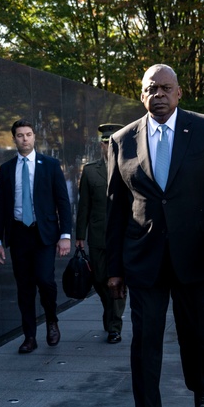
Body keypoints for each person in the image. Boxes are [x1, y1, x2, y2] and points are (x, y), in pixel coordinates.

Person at [106, 64, 204, 407]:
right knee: (143, 345)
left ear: (179, 93)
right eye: (151, 88)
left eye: (166, 88)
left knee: (198, 338)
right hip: (143, 261)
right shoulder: (121, 140)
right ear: (141, 94)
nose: (159, 94)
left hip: (197, 258)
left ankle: (201, 391)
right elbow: (114, 209)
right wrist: (112, 267)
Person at [0, 119, 72, 354]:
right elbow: (0, 207)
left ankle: (51, 320)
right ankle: (29, 336)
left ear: (35, 137)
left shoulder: (50, 165)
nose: (24, 139)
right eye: (19, 135)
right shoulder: (6, 169)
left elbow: (63, 202)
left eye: (28, 134)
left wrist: (65, 235)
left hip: (44, 233)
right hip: (18, 234)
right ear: (14, 138)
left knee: (45, 281)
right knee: (25, 287)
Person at [76, 123, 127, 344]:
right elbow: (83, 206)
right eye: (105, 143)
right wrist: (80, 235)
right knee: (99, 280)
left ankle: (115, 326)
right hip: (98, 235)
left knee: (118, 281)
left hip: (123, 236)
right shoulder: (89, 171)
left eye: (112, 142)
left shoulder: (131, 167)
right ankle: (110, 312)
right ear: (101, 146)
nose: (108, 146)